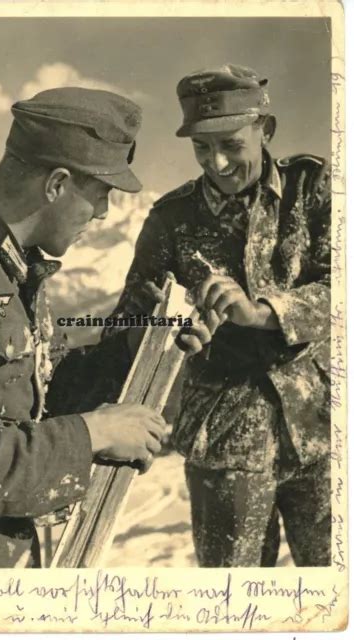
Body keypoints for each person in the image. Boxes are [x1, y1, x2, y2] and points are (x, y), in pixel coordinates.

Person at [0, 87, 176, 569]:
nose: (103, 214)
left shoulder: (15, 271)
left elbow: (44, 402)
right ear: (56, 184)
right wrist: (93, 435)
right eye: (101, 194)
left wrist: (134, 349)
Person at [106, 64, 331, 567]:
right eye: (202, 148)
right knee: (231, 600)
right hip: (224, 443)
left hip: (323, 429)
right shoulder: (170, 220)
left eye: (232, 143)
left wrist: (263, 313)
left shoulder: (313, 187)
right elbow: (129, 324)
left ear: (265, 130)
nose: (218, 162)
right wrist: (172, 330)